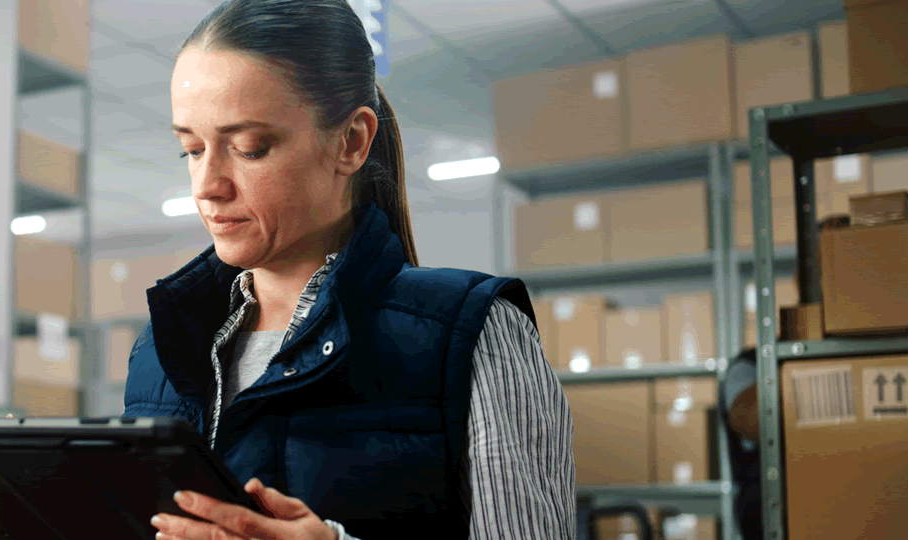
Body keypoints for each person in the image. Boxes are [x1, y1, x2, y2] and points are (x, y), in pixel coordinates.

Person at [122, 1, 575, 538]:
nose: (207, 185)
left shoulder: (473, 332)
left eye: (250, 148)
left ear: (351, 141)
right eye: (191, 150)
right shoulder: (158, 350)